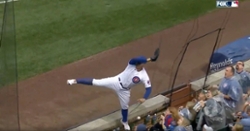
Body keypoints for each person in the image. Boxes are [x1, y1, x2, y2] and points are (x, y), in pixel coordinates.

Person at [67, 56, 157, 130]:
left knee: (125, 107)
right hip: (115, 81)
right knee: (96, 82)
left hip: (125, 91)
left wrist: (144, 97)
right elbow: (136, 59)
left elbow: (149, 88)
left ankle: (124, 122)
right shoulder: (132, 64)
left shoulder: (144, 76)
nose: (136, 65)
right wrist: (149, 59)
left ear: (142, 65)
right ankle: (75, 81)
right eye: (137, 64)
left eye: (138, 64)